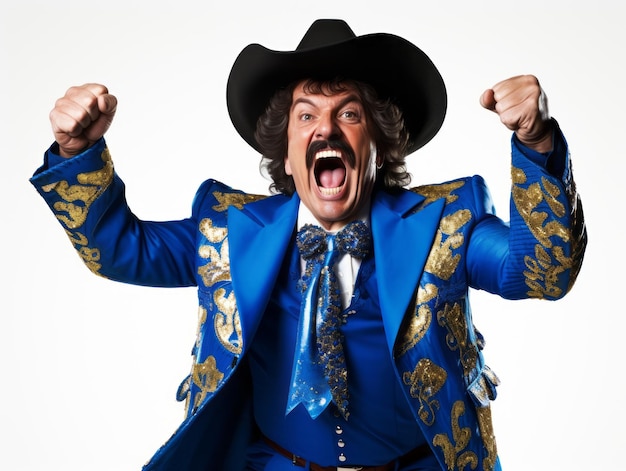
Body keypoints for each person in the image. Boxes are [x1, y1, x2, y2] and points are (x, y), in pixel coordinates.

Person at [31, 19, 586, 471]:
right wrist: (78, 152)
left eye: (348, 113)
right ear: (287, 146)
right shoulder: (227, 231)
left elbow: (543, 272)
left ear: (378, 141)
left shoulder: (446, 222)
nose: (326, 130)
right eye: (306, 116)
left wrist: (535, 143)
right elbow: (120, 250)